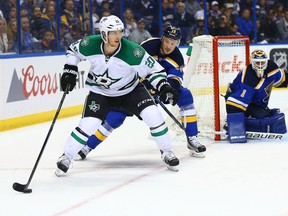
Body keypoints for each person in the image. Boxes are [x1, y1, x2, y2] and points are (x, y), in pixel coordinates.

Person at [55, 15, 179, 176]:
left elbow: (153, 69)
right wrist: (70, 69)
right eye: (113, 33)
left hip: (131, 91)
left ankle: (167, 152)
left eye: (120, 32)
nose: (118, 36)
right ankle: (66, 157)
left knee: (153, 115)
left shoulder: (132, 51)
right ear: (104, 34)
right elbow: (73, 50)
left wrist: (163, 86)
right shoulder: (90, 44)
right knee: (89, 123)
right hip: (100, 93)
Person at [76, 26, 206, 161]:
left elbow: (175, 78)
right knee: (115, 118)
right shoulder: (148, 46)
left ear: (177, 44)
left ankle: (192, 138)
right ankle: (87, 146)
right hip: (132, 89)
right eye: (167, 41)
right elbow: (131, 68)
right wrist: (147, 87)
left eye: (173, 43)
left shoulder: (177, 57)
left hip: (159, 86)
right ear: (162, 39)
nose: (169, 46)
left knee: (185, 95)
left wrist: (163, 90)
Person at [224, 49, 287, 143]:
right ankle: (240, 120)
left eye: (262, 62)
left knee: (267, 115)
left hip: (256, 102)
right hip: (237, 99)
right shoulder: (249, 77)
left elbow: (283, 79)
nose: (260, 65)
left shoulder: (272, 69)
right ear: (252, 63)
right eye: (257, 63)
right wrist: (234, 125)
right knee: (263, 117)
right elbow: (234, 104)